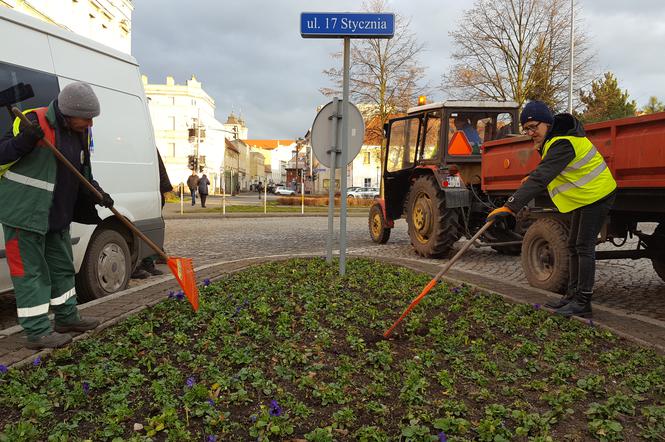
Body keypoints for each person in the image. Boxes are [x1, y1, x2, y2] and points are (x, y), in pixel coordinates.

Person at [0, 81, 112, 349]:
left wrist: (97, 192)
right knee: (32, 273)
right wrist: (22, 143)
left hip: (57, 215)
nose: (90, 124)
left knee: (63, 269)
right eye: (86, 118)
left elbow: (82, 171)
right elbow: (2, 155)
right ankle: (37, 331)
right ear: (68, 112)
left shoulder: (79, 133)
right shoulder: (31, 121)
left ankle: (67, 318)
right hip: (25, 213)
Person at [487, 101, 617, 318]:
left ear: (546, 123)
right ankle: (572, 296)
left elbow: (542, 176)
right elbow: (548, 170)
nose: (530, 133)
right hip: (585, 197)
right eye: (526, 129)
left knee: (583, 247)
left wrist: (510, 207)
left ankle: (583, 302)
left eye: (533, 127)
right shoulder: (553, 141)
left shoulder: (563, 143)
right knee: (574, 245)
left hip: (597, 195)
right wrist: (535, 176)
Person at [132, 149, 172, 278]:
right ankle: (148, 260)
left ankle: (149, 261)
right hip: (144, 190)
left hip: (150, 191)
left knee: (150, 228)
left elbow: (157, 165)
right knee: (145, 229)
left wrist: (165, 187)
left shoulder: (144, 143)